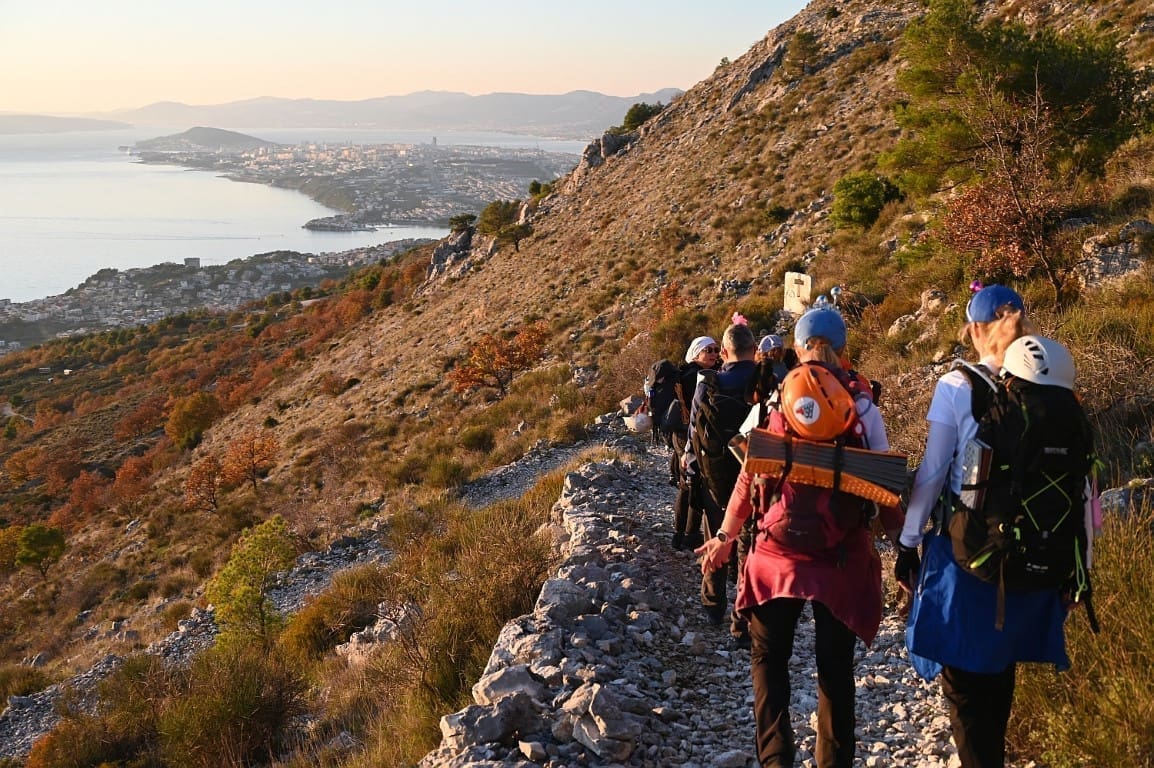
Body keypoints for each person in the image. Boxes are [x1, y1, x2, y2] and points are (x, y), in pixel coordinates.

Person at [697, 307, 903, 768]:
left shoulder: (775, 398)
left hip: (777, 554)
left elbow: (749, 478)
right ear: (843, 350)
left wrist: (726, 536)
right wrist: (906, 549)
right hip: (841, 557)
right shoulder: (862, 405)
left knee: (768, 660)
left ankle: (776, 758)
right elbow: (884, 489)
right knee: (835, 670)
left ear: (796, 347)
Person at [894, 284, 1077, 768]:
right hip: (1035, 555)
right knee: (1000, 671)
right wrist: (1080, 566)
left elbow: (933, 473)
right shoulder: (1052, 385)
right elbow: (1082, 484)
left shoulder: (958, 386)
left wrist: (908, 541)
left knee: (964, 689)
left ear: (975, 329)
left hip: (968, 556)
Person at [685, 322, 758, 634]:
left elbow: (694, 433)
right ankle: (742, 621)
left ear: (725, 352)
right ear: (754, 350)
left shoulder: (709, 384)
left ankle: (713, 604)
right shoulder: (767, 382)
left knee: (716, 535)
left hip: (715, 474)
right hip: (755, 476)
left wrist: (692, 473)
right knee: (749, 547)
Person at [668, 336, 720, 550]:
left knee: (689, 483)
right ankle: (685, 534)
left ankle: (684, 533)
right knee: (691, 483)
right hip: (688, 435)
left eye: (716, 349)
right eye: (709, 350)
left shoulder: (689, 373)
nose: (714, 354)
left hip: (685, 434)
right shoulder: (695, 376)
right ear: (697, 353)